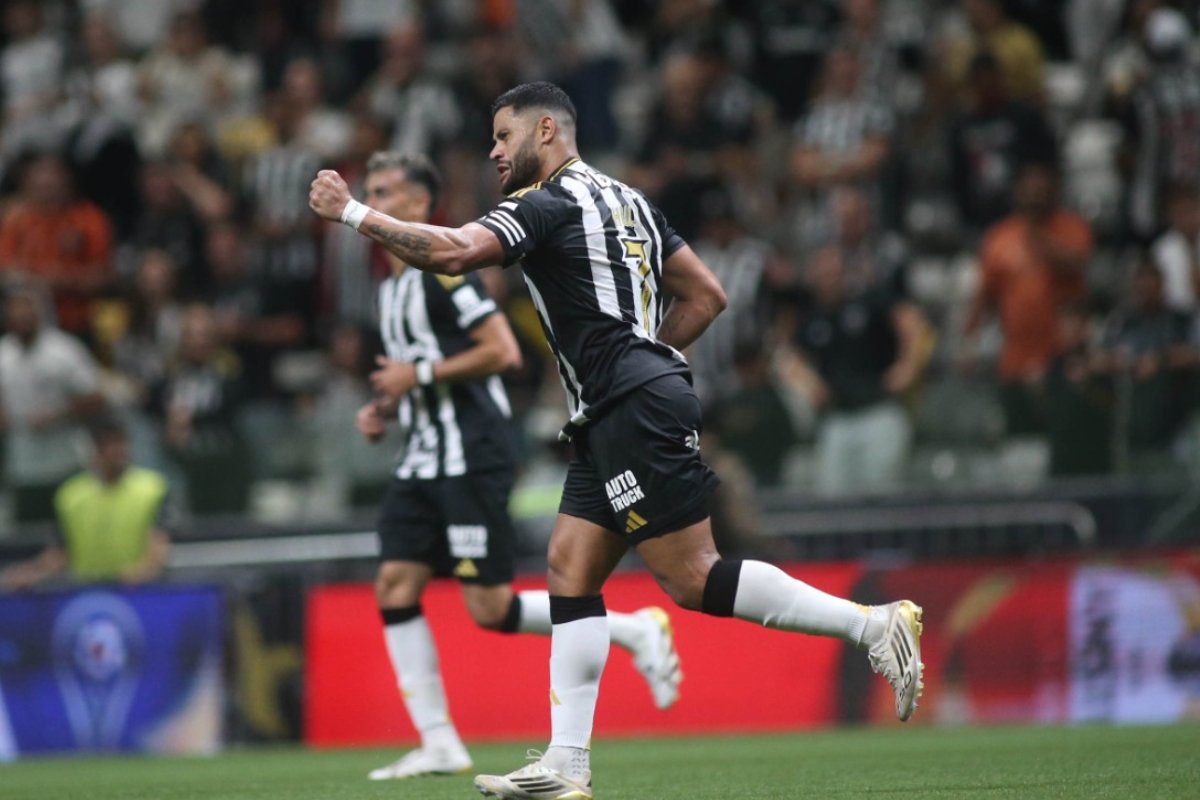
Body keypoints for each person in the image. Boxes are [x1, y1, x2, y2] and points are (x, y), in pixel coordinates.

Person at [310, 82, 923, 800]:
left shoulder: (544, 202)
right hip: (614, 407)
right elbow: (707, 294)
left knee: (692, 575)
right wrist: (645, 356)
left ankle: (874, 624)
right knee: (570, 566)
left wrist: (353, 212)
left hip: (627, 404)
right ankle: (567, 763)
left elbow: (454, 254)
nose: (494, 151)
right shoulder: (629, 200)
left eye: (504, 137)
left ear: (546, 130)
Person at [348, 151, 682, 781]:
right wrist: (385, 406)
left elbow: (502, 351)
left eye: (387, 191)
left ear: (422, 205)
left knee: (489, 607)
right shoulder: (388, 291)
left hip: (472, 453)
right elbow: (419, 366)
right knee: (394, 583)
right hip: (421, 455)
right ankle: (439, 739)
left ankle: (633, 629)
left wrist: (414, 375)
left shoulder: (445, 275)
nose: (376, 201)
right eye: (370, 190)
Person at [0, 416, 173, 590]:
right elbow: (60, 552)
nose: (118, 451)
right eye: (107, 445)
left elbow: (158, 546)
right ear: (91, 450)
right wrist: (32, 573)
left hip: (139, 594)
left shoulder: (153, 488)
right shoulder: (70, 496)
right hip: (86, 595)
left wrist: (142, 572)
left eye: (121, 442)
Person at [0, 282, 105, 523]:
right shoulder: (3, 354)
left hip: (67, 462)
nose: (22, 317)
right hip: (23, 467)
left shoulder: (64, 350)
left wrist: (58, 416)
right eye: (15, 311)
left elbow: (96, 398)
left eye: (27, 310)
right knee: (27, 536)